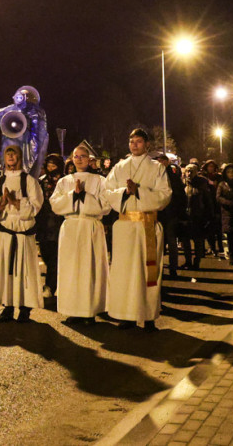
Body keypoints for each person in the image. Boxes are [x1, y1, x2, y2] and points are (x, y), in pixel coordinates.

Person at [102, 129, 172, 330]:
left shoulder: (157, 168)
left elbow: (165, 195)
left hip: (147, 225)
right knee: (125, 272)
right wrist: (125, 192)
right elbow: (107, 191)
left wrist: (139, 191)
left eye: (139, 141)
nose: (134, 145)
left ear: (147, 144)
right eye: (131, 141)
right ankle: (127, 315)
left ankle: (148, 316)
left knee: (147, 272)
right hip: (125, 227)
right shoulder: (119, 167)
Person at [50, 145, 111, 324]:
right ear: (72, 159)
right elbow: (55, 204)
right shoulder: (64, 182)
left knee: (89, 270)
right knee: (70, 270)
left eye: (83, 156)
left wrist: (84, 196)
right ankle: (73, 310)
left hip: (90, 226)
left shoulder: (100, 180)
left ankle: (89, 311)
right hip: (70, 227)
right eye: (76, 156)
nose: (79, 159)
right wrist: (73, 195)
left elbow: (106, 205)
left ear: (89, 159)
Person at [0, 145, 43, 322]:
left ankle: (25, 308)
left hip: (22, 232)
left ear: (20, 158)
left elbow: (36, 206)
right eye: (8, 154)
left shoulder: (29, 181)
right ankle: (8, 306)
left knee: (24, 271)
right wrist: (2, 204)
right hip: (5, 232)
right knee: (6, 270)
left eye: (14, 154)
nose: (11, 157)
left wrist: (16, 202)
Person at [36, 153, 65, 297]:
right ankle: (54, 282)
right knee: (45, 253)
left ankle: (50, 285)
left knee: (55, 256)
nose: (51, 168)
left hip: (59, 222)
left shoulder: (64, 181)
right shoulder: (42, 181)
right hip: (44, 222)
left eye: (54, 165)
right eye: (49, 165)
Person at [155, 153, 185, 278]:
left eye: (162, 161)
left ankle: (172, 268)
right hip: (160, 214)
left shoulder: (172, 177)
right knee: (160, 243)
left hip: (169, 214)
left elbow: (180, 196)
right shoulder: (155, 175)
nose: (160, 163)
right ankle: (162, 268)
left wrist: (180, 213)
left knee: (170, 242)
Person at [181, 164, 213, 271]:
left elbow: (208, 201)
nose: (189, 174)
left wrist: (209, 216)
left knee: (198, 241)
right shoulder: (182, 184)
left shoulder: (202, 185)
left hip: (198, 217)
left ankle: (197, 261)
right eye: (187, 171)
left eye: (191, 171)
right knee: (186, 241)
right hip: (185, 217)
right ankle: (188, 261)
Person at [201, 161, 224, 258]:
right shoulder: (203, 178)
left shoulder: (219, 178)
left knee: (219, 229)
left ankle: (221, 247)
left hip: (218, 204)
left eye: (212, 166)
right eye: (209, 166)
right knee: (209, 229)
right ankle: (212, 247)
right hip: (208, 205)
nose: (211, 168)